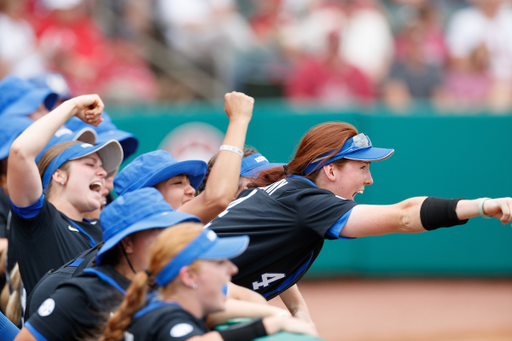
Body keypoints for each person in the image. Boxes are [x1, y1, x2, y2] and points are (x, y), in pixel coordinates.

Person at [207, 121, 512, 315]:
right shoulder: (306, 200)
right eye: (362, 167)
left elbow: (263, 248)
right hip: (176, 296)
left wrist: (299, 311)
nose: (370, 180)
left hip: (188, 292)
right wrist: (481, 205)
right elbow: (404, 217)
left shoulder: (292, 193)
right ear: (330, 170)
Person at [16, 188, 200, 341]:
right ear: (127, 243)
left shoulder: (170, 282)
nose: (168, 239)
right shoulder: (84, 293)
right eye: (158, 231)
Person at [99, 223, 318, 341]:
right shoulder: (167, 316)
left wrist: (275, 314)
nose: (232, 269)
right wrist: (272, 325)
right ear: (188, 277)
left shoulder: (155, 304)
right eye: (219, 263)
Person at [7, 94, 123, 295]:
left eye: (102, 167)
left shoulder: (103, 229)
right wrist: (73, 106)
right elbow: (20, 152)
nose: (103, 173)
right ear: (59, 175)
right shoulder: (40, 221)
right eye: (90, 164)